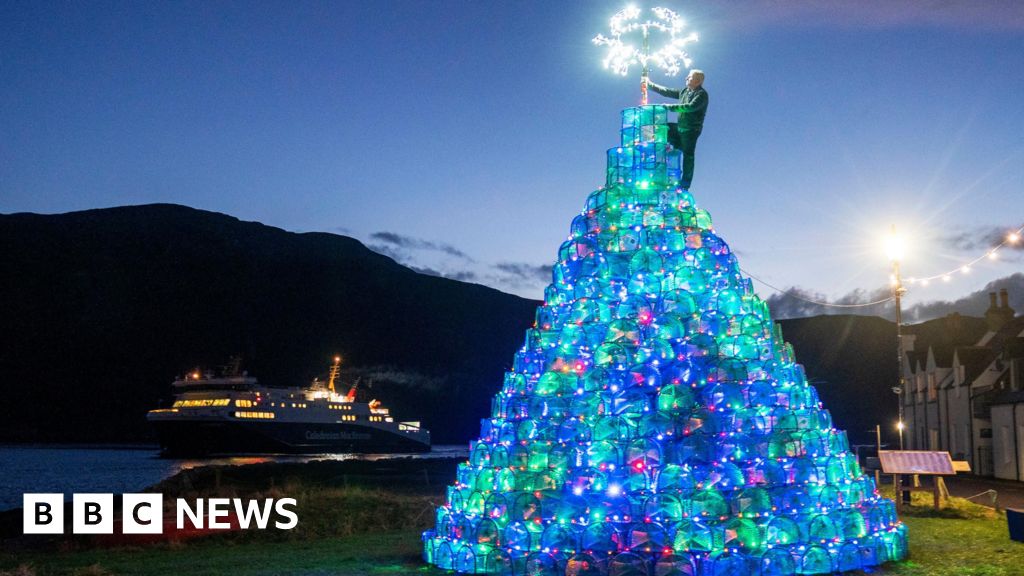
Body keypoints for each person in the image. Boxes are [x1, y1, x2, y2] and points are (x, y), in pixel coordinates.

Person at [646, 69, 708, 189]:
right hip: (680, 127)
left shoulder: (702, 95)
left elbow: (690, 107)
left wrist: (669, 107)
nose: (686, 78)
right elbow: (668, 92)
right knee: (662, 128)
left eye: (689, 77)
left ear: (697, 81)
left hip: (690, 131)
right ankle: (652, 149)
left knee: (688, 155)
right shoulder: (685, 91)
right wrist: (650, 85)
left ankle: (685, 185)